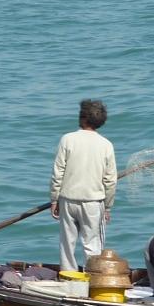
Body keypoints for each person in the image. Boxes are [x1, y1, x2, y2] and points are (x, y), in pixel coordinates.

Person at [49, 99, 117, 272]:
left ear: (84, 118)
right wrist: (107, 206)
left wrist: (54, 199)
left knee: (67, 244)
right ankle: (93, 277)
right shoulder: (106, 145)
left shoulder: (67, 139)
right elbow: (110, 180)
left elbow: (58, 173)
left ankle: (68, 275)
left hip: (68, 200)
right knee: (92, 245)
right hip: (93, 202)